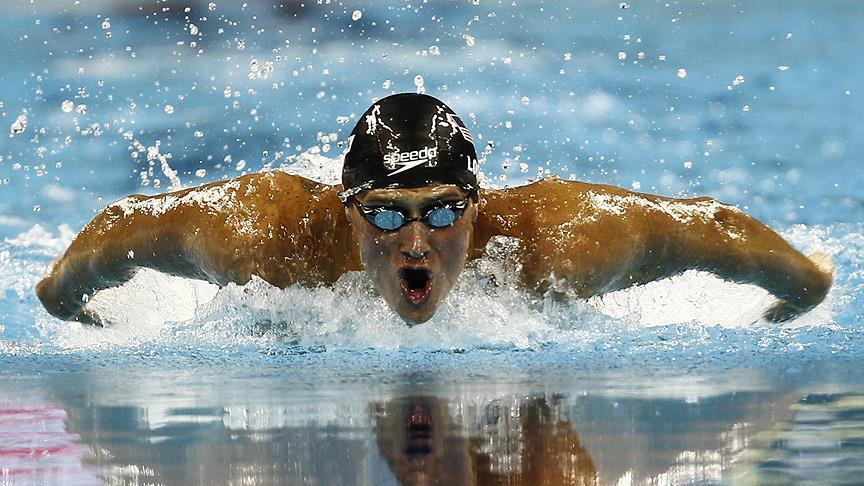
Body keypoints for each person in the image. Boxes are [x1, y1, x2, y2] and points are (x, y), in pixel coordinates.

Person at [36, 93, 833, 326]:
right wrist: (69, 309)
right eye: (386, 214)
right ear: (348, 210)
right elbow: (114, 231)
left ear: (477, 205)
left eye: (443, 211)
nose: (416, 241)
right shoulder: (266, 237)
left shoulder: (556, 241)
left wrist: (796, 298)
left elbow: (711, 228)